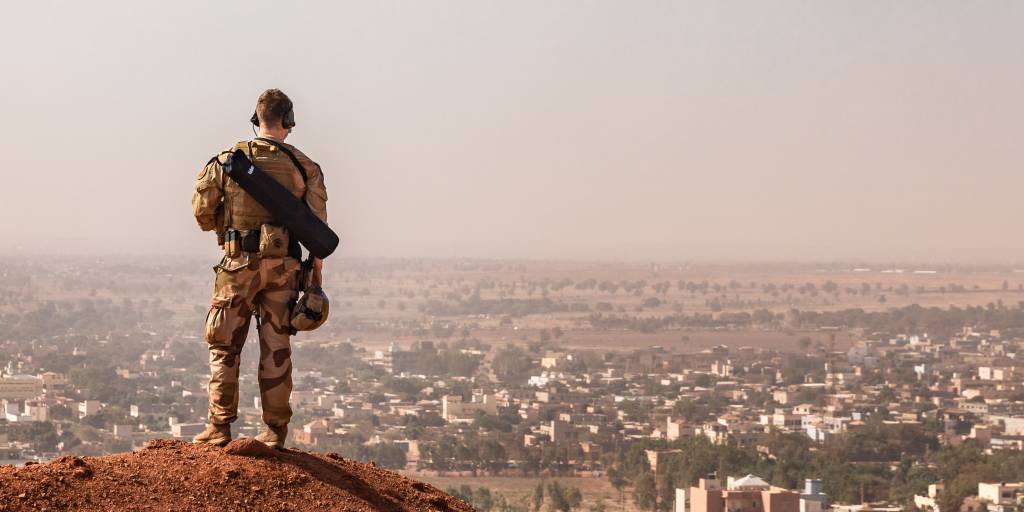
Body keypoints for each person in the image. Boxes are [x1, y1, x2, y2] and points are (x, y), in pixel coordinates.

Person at [190, 89, 328, 449]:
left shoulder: (227, 161)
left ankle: (219, 426)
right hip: (285, 269)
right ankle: (275, 431)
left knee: (223, 345)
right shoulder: (305, 167)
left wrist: (229, 226)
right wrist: (315, 279)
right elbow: (318, 232)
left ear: (256, 119)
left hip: (237, 266)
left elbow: (202, 215)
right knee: (276, 347)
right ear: (288, 121)